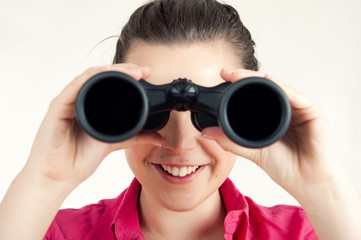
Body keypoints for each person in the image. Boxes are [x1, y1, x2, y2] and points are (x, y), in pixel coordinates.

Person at [0, 0, 360, 239]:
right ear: (117, 108)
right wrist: (45, 178)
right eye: (152, 111)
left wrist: (322, 187)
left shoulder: (310, 231)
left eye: (211, 112)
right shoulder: (52, 231)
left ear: (247, 110)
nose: (180, 143)